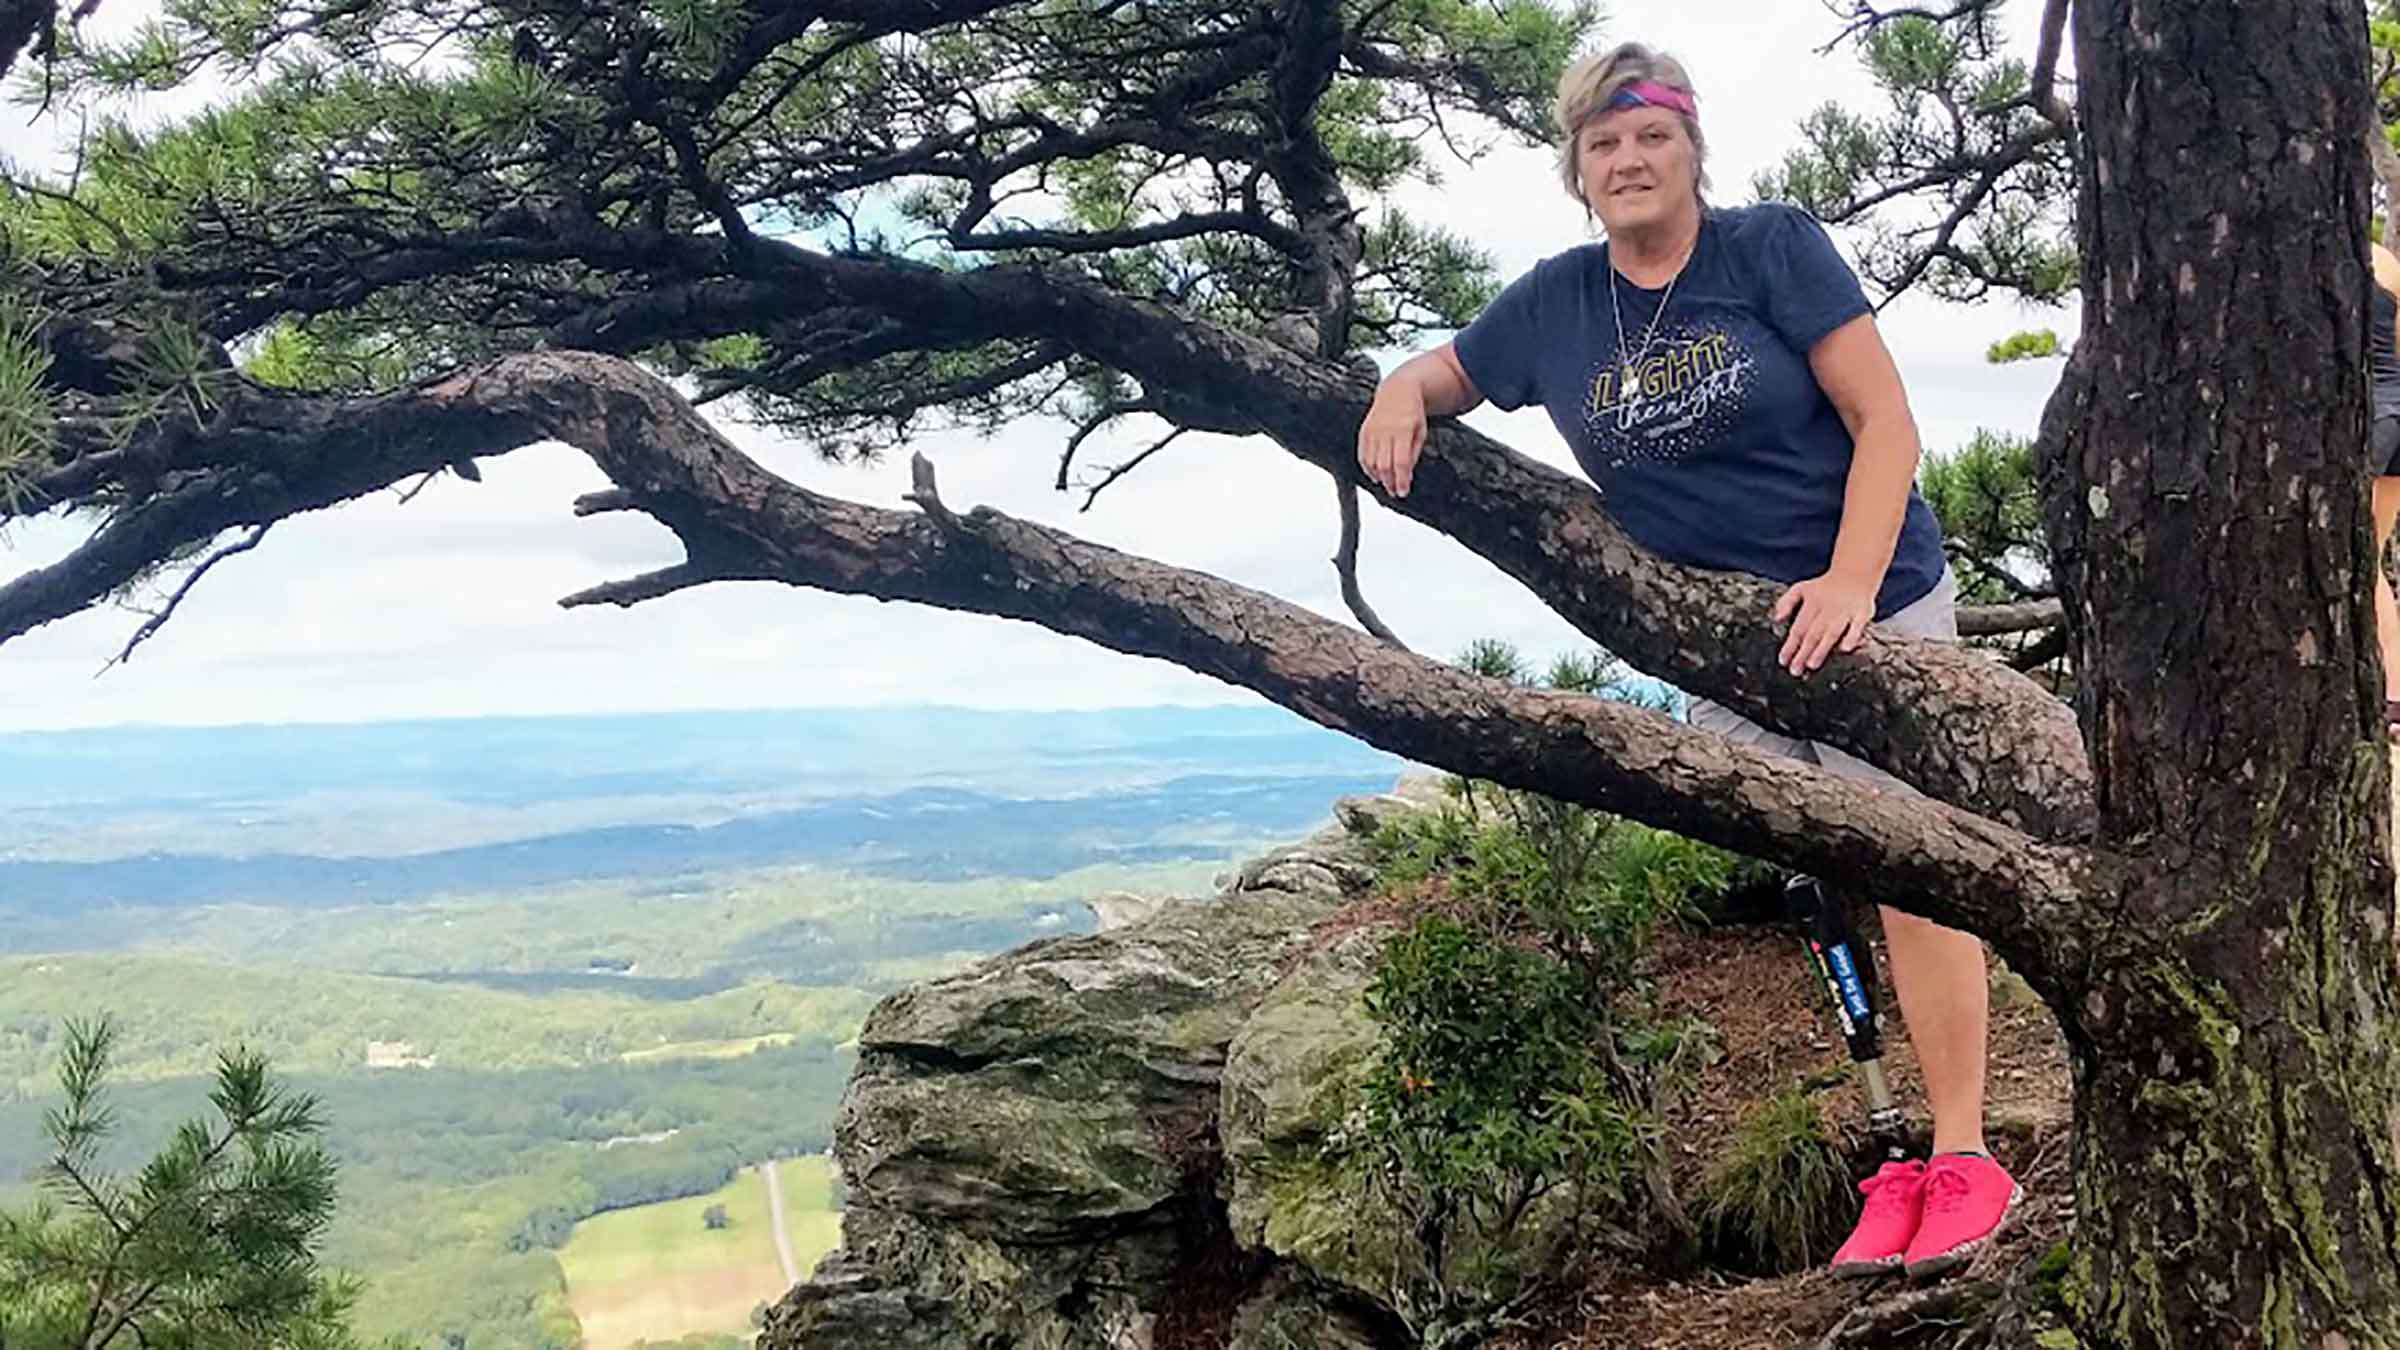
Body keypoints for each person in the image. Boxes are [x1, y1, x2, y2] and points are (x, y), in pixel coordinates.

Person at [1353, 41, 2017, 1280]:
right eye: (1603, 143)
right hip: (1729, 647)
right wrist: (1397, 386)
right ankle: (1894, 1159)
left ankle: (1969, 1151)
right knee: (1818, 878)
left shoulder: (1769, 250)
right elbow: (1448, 372)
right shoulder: (1555, 303)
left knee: (1917, 872)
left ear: (1690, 145)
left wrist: (1854, 584)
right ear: (1578, 169)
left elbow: (1888, 423)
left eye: (1649, 136)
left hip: (1876, 605)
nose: (1628, 159)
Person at [2370, 240, 2400, 736]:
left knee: (2350, 560)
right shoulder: (2387, 262)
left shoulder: (2311, 249)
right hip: (2398, 413)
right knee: (2367, 560)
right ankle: (2395, 694)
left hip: (2366, 415)